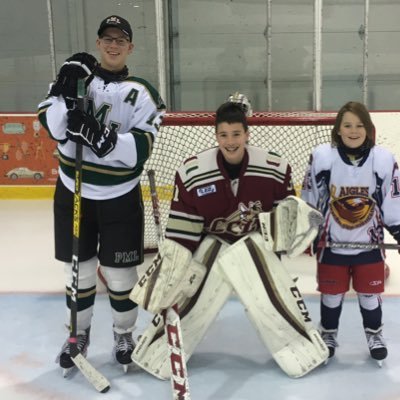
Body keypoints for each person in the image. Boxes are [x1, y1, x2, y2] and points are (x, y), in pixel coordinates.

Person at [128, 97, 330, 379]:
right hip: (214, 244)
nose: (230, 141)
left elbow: (284, 219)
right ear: (216, 136)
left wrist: (284, 240)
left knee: (273, 299)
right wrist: (171, 274)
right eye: (223, 135)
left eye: (236, 134)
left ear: (247, 134)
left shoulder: (274, 166)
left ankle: (303, 349)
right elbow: (182, 232)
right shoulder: (192, 171)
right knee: (191, 299)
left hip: (255, 244)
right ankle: (156, 351)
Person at [37, 15, 166, 374]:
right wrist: (63, 89)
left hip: (119, 197)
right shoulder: (78, 79)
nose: (113, 45)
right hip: (72, 189)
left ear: (130, 47)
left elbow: (141, 149)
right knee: (78, 273)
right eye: (107, 39)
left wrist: (101, 137)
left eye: (120, 40)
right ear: (98, 43)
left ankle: (124, 335)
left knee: (122, 276)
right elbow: (52, 125)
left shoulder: (142, 92)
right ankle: (77, 336)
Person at [301, 101, 400, 365]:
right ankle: (329, 334)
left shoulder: (383, 160)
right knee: (331, 295)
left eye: (359, 125)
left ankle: (374, 334)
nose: (353, 130)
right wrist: (306, 230)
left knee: (370, 295)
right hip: (332, 244)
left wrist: (399, 230)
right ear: (338, 129)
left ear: (368, 128)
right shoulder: (323, 157)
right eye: (347, 125)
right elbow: (310, 197)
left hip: (369, 245)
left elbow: (392, 201)